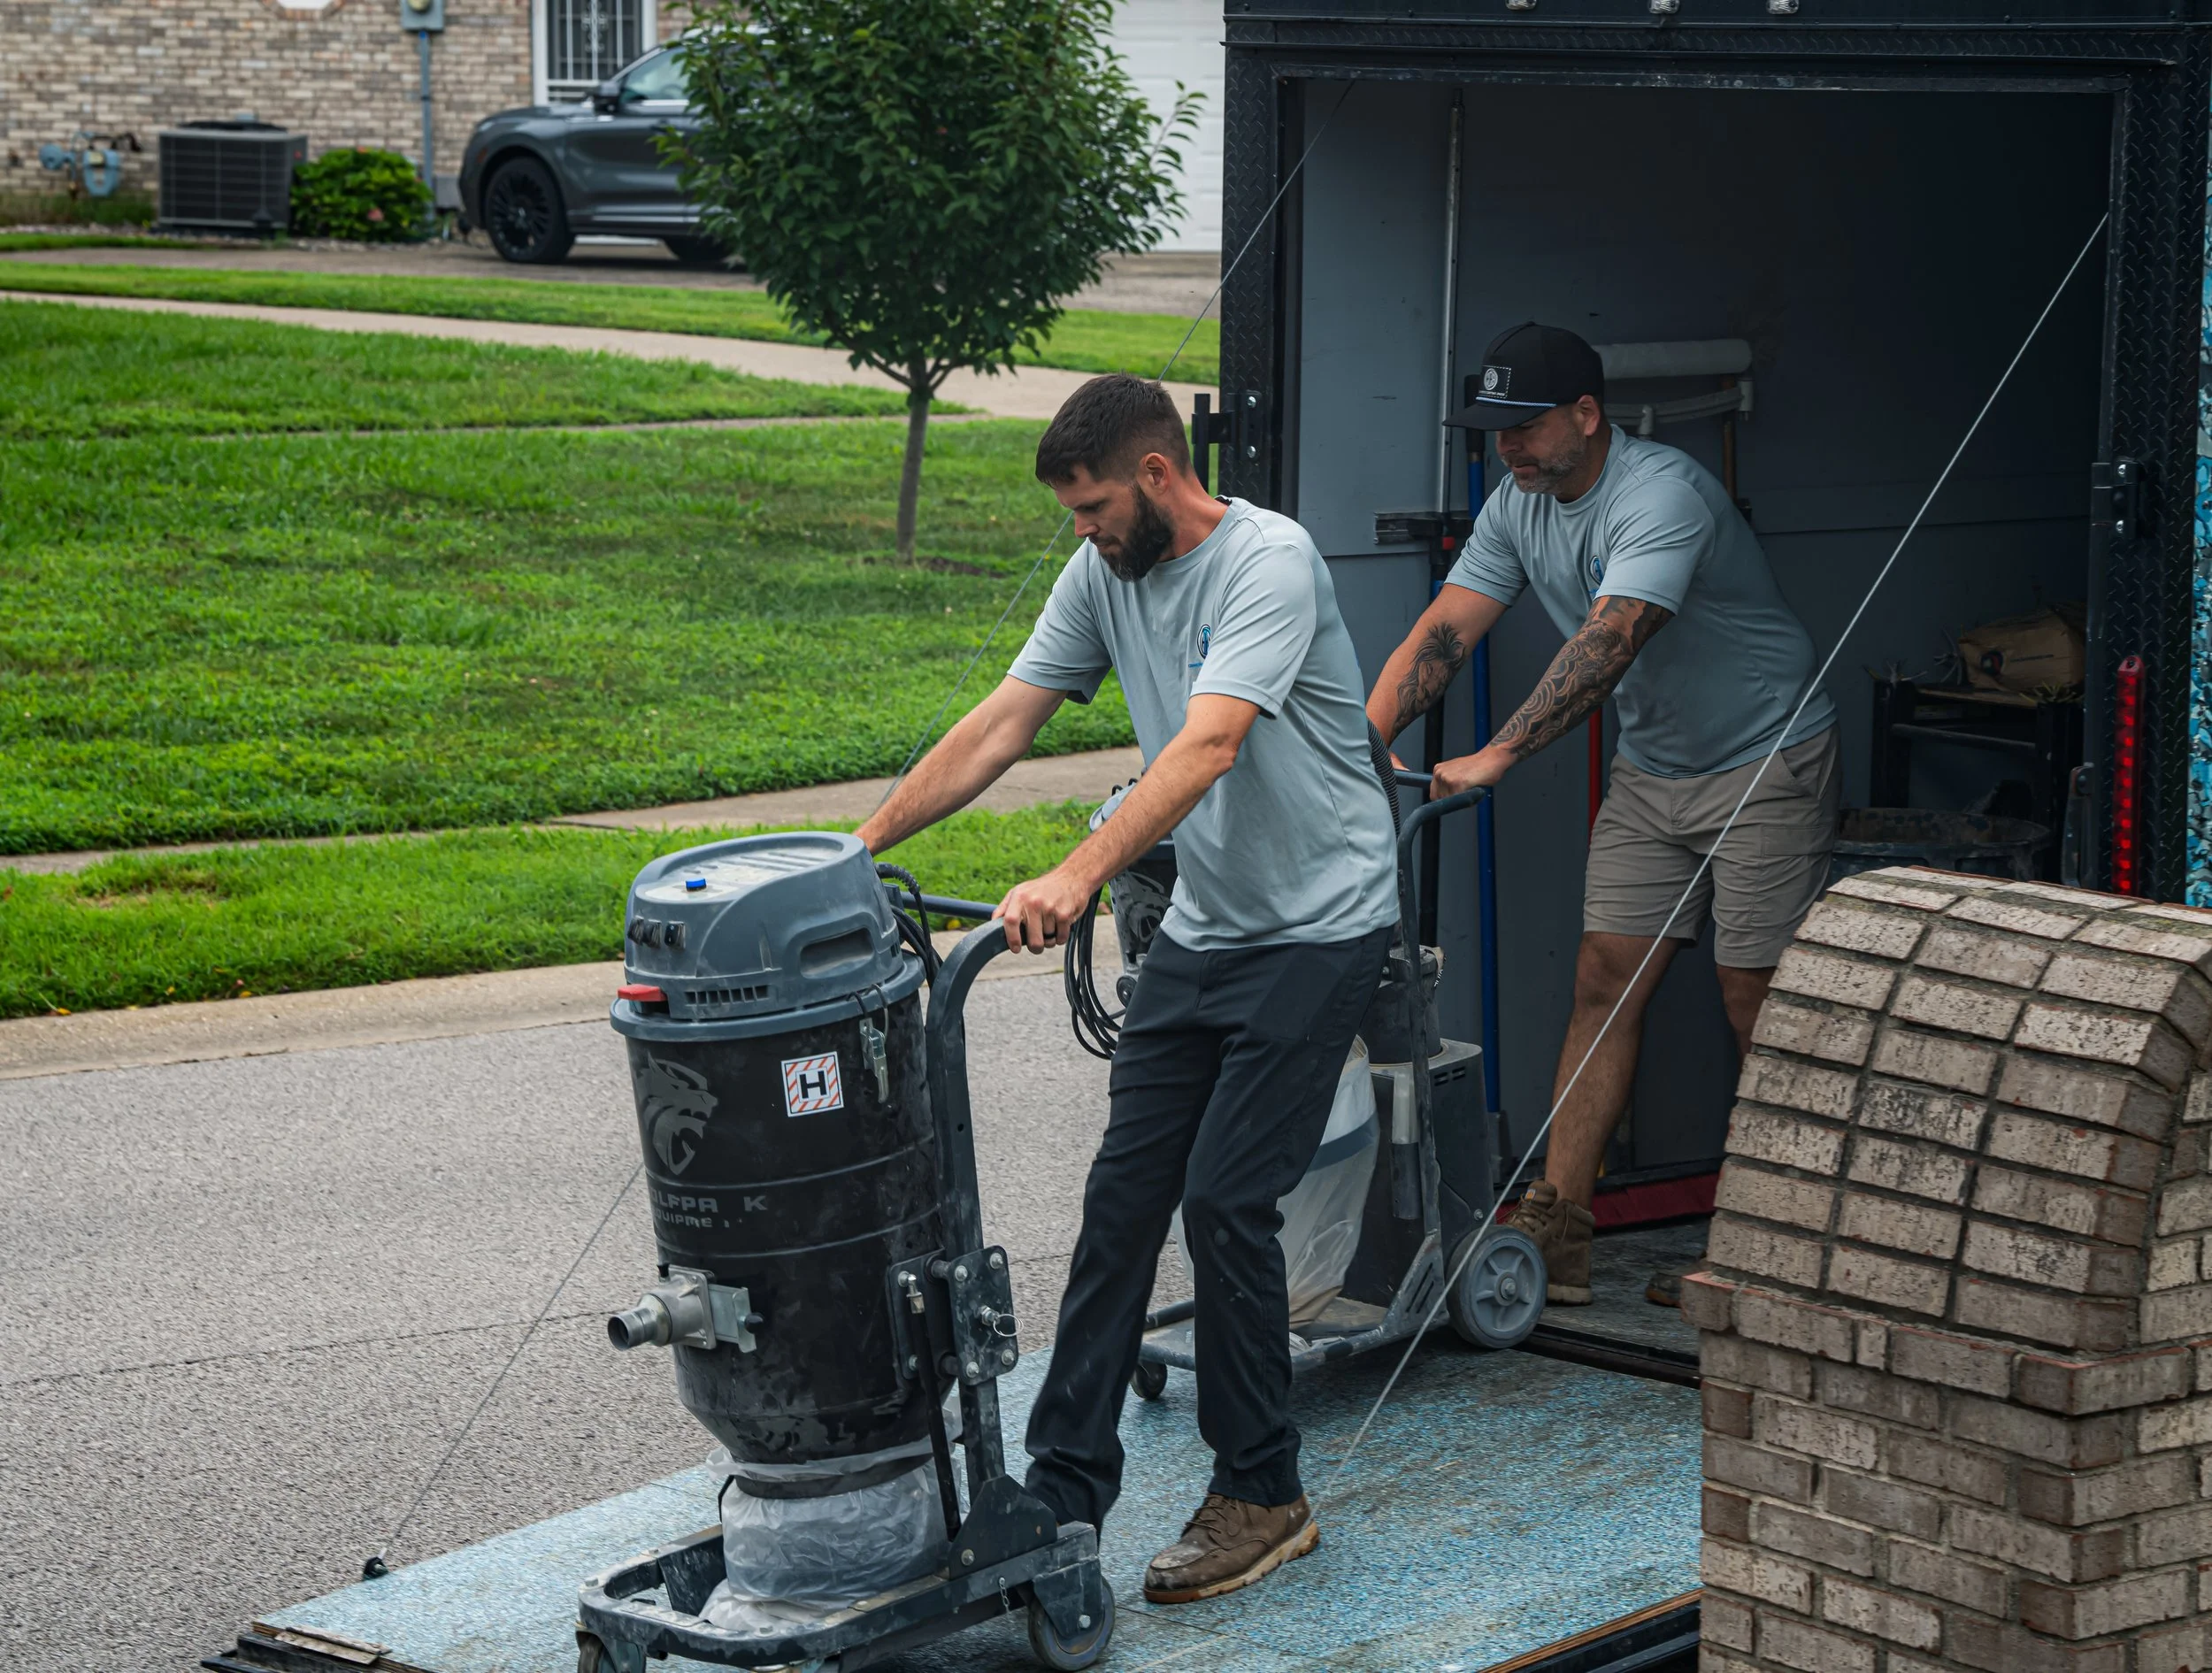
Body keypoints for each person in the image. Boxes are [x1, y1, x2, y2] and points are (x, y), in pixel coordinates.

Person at [856, 373, 1398, 1604]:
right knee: (1120, 1204)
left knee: (1222, 1195)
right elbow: (1004, 721)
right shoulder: (1105, 572)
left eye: (1095, 504)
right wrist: (854, 852)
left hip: (1321, 926)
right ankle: (1061, 1487)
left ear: (1157, 475)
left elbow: (1210, 743)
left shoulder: (1270, 561)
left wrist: (1076, 873)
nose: (1085, 530)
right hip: (1211, 927)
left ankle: (1264, 1488)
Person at [1366, 321, 1838, 1306]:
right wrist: (1362, 738)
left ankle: (1779, 1244)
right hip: (1657, 766)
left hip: (1766, 757)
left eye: (1525, 428)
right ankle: (1558, 1225)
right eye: (1495, 432)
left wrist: (1497, 752)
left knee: (1755, 994)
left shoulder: (1660, 496)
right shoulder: (1516, 504)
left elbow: (1610, 640)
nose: (1509, 449)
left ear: (1587, 415)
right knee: (1602, 980)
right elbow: (1446, 629)